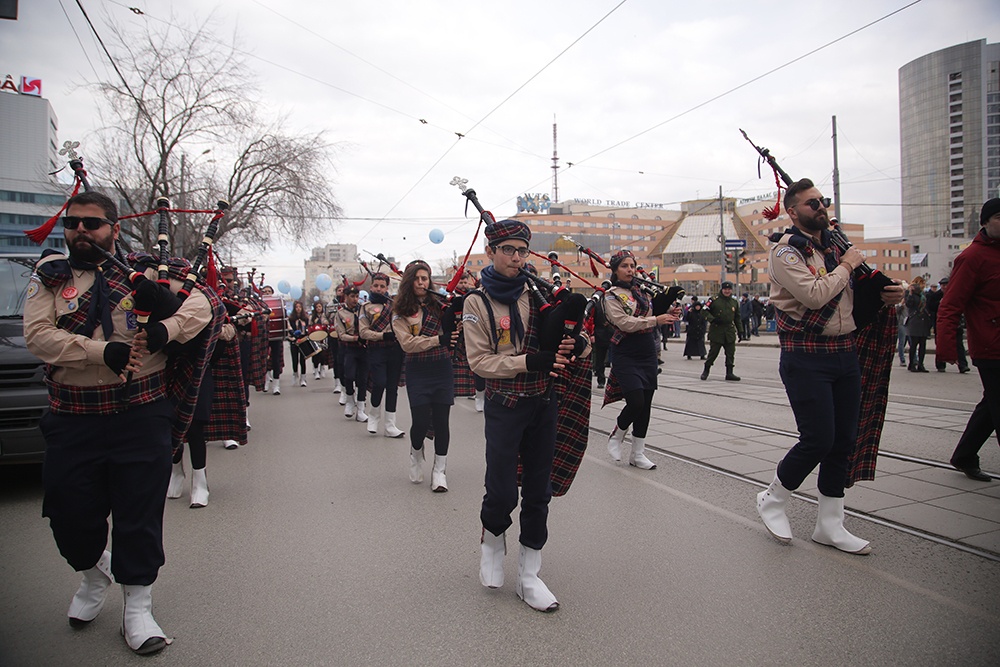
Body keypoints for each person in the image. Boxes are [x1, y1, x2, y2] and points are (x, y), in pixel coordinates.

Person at [24, 190, 214, 654]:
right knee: (69, 516)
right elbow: (37, 335)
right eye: (73, 224)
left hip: (139, 414)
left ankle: (138, 606)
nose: (81, 231)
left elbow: (206, 303)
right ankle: (93, 573)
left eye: (92, 223)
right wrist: (97, 350)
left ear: (113, 226)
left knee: (138, 515)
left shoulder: (147, 272)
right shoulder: (51, 276)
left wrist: (163, 329)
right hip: (74, 417)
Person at [757, 178, 904, 554]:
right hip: (805, 356)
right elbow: (814, 294)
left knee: (843, 442)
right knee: (818, 439)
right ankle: (772, 498)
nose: (820, 207)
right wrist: (848, 265)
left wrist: (890, 292)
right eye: (811, 203)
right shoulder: (786, 253)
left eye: (822, 201)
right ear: (793, 212)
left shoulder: (835, 246)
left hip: (844, 352)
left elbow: (857, 294)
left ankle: (830, 524)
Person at [463, 219, 585, 612]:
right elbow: (480, 362)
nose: (516, 258)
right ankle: (493, 541)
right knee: (500, 489)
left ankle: (529, 575)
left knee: (538, 491)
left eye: (521, 251)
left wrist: (576, 341)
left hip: (543, 403)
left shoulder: (540, 294)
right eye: (508, 250)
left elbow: (572, 346)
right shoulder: (477, 303)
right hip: (505, 405)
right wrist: (531, 360)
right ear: (491, 253)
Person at [937, 198, 1000, 482]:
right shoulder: (971, 257)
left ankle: (964, 455)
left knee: (991, 405)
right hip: (991, 346)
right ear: (985, 222)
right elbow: (950, 305)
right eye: (998, 217)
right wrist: (947, 348)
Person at [603, 250, 678, 469]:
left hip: (647, 352)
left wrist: (671, 312)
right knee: (635, 401)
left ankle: (638, 453)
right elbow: (624, 322)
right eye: (625, 266)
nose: (630, 270)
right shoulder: (611, 294)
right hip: (625, 352)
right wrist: (656, 320)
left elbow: (651, 314)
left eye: (632, 266)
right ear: (615, 269)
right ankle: (617, 434)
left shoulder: (642, 292)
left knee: (646, 405)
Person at [392, 261, 456, 490]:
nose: (422, 282)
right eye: (417, 279)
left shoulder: (440, 306)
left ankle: (440, 471)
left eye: (425, 278)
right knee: (419, 422)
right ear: (409, 281)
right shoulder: (400, 312)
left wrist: (457, 304)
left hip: (441, 367)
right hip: (417, 369)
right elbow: (408, 345)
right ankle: (415, 451)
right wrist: (438, 340)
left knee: (442, 422)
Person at [360, 273, 405, 438]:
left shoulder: (395, 305)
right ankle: (373, 415)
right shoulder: (365, 307)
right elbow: (363, 332)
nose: (379, 289)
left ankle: (390, 425)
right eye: (376, 285)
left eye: (382, 286)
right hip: (376, 349)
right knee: (379, 382)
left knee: (392, 387)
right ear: (371, 287)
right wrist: (382, 336)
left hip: (395, 349)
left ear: (387, 288)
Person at [333, 286, 368, 422]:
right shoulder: (340, 314)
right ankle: (349, 400)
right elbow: (341, 334)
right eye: (352, 296)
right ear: (346, 297)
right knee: (349, 375)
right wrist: (355, 338)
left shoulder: (364, 310)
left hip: (364, 348)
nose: (355, 299)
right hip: (349, 348)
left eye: (356, 296)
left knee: (363, 378)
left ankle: (361, 409)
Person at [701, 282, 742, 381]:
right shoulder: (714, 300)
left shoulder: (734, 302)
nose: (727, 291)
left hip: (729, 331)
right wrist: (712, 319)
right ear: (722, 290)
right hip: (717, 330)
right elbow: (704, 311)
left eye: (729, 289)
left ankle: (729, 373)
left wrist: (741, 331)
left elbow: (737, 318)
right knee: (713, 353)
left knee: (730, 353)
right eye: (725, 289)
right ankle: (706, 370)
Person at [933, 277, 970, 373]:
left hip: (955, 324)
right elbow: (930, 308)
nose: (944, 287)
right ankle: (940, 365)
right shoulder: (936, 295)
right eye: (943, 285)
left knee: (959, 345)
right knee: (940, 344)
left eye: (946, 285)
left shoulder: (955, 294)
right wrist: (939, 303)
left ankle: (963, 365)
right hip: (940, 324)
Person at [904, 276, 932, 372]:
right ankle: (912, 364)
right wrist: (911, 294)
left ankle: (921, 364)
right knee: (914, 345)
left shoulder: (923, 295)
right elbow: (908, 305)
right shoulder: (909, 294)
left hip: (923, 321)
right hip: (914, 322)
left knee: (923, 345)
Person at [288, 300, 309, 387]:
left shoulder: (305, 318)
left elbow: (307, 328)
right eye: (296, 307)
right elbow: (289, 329)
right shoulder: (291, 318)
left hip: (303, 339)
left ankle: (303, 378)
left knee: (303, 359)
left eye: (300, 307)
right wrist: (294, 335)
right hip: (294, 339)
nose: (298, 309)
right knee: (295, 359)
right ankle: (295, 374)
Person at [310, 300, 330, 380]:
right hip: (315, 338)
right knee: (316, 354)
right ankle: (315, 369)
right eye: (317, 307)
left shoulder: (324, 316)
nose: (318, 308)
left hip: (323, 337)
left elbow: (327, 324)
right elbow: (310, 326)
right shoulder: (312, 317)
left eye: (320, 307)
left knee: (323, 354)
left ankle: (322, 368)